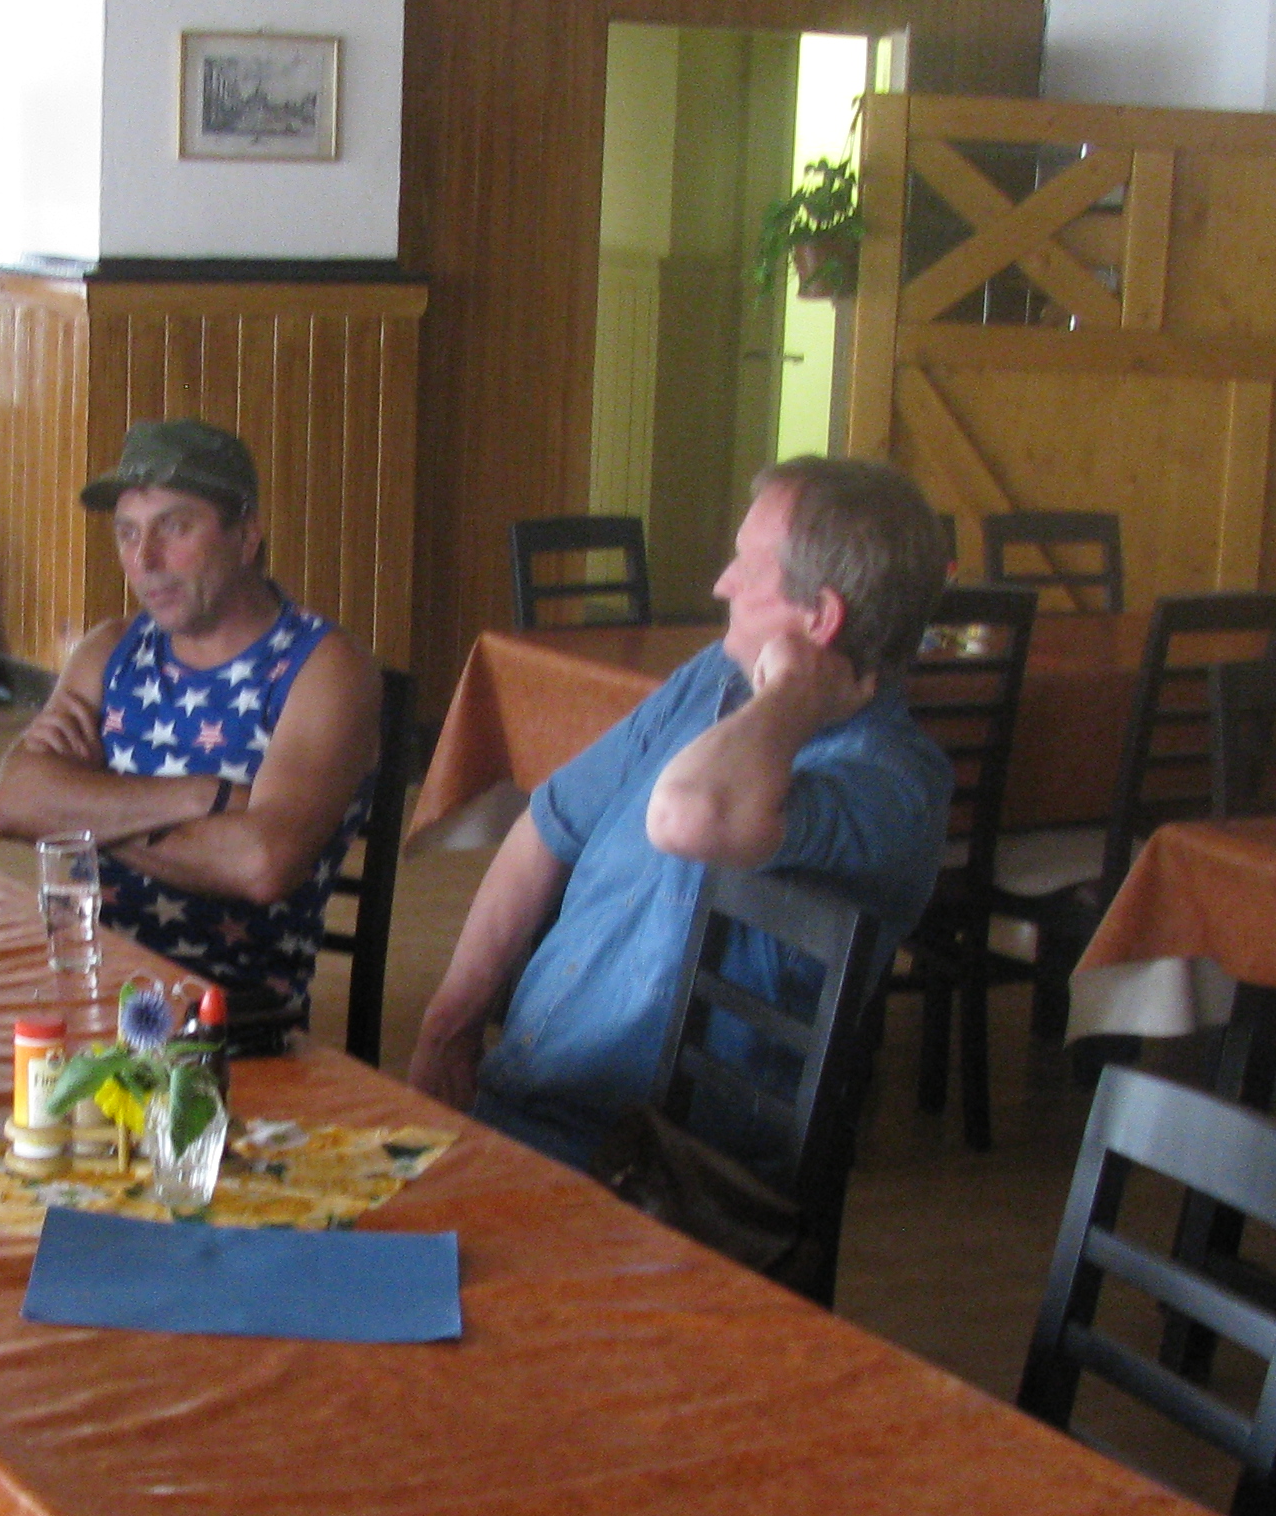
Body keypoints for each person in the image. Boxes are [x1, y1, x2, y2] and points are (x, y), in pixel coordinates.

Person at [408, 456, 953, 1172]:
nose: (722, 584)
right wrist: (450, 1024)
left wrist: (791, 697)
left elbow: (689, 816)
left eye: (746, 568)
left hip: (653, 1172)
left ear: (819, 619)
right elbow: (548, 826)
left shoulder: (891, 783)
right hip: (526, 1104)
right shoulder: (712, 681)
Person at [0, 418, 382, 1012]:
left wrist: (80, 809)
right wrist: (205, 796)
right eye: (127, 533)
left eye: (174, 527)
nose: (145, 559)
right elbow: (11, 802)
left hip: (226, 1014)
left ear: (246, 535)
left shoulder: (324, 667)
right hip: (80, 981)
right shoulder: (108, 650)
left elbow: (261, 865)